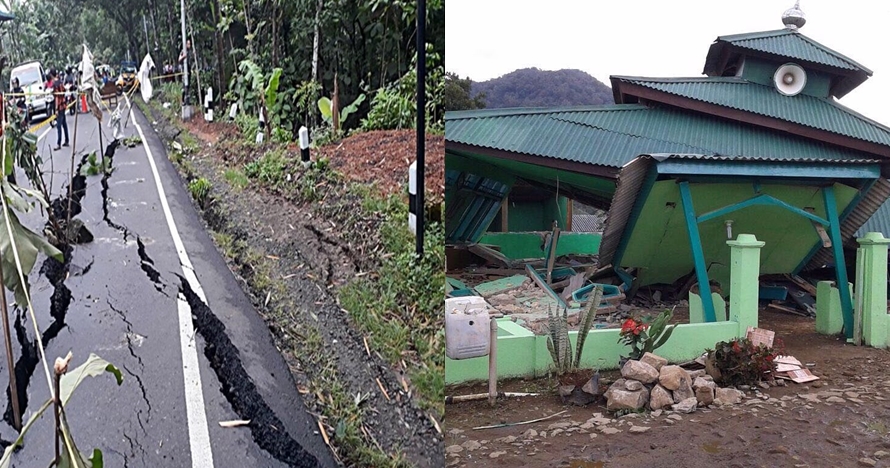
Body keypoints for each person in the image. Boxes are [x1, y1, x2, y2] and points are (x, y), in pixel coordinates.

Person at [51, 70, 69, 150]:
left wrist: (56, 109)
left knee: (59, 125)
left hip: (59, 106)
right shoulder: (60, 82)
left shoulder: (55, 84)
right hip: (63, 104)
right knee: (64, 124)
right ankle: (67, 140)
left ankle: (58, 143)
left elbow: (57, 97)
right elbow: (64, 90)